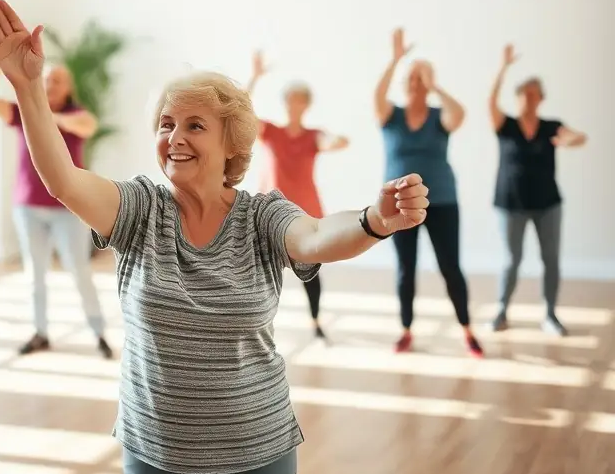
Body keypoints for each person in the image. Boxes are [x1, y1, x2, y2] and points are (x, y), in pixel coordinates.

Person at [0, 0, 431, 474]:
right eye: (167, 123)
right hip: (156, 447)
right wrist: (28, 88)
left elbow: (313, 238)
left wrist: (372, 220)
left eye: (195, 125)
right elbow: (63, 180)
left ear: (231, 145)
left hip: (256, 445)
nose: (175, 137)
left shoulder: (262, 216)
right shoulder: (140, 209)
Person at [0, 62, 113, 358]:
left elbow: (87, 126)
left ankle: (98, 331)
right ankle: (40, 333)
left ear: (68, 87)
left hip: (69, 209)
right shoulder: (21, 112)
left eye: (58, 80)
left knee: (79, 270)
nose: (51, 84)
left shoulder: (77, 116)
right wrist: (1, 68)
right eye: (47, 79)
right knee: (34, 274)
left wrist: (43, 114)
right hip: (28, 207)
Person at [375, 28, 482, 357]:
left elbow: (460, 115)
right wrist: (395, 61)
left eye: (421, 79)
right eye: (412, 78)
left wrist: (435, 85)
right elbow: (376, 96)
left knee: (450, 266)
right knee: (406, 267)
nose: (415, 83)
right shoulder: (390, 115)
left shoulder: (440, 116)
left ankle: (467, 329)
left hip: (443, 201)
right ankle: (406, 330)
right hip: (400, 204)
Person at [246, 51, 349, 338]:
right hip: (270, 212)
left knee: (309, 271)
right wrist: (254, 77)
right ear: (285, 103)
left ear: (306, 105)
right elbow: (241, 113)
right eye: (291, 99)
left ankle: (315, 322)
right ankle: (258, 326)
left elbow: (328, 142)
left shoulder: (313, 135)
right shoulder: (271, 132)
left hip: (304, 212)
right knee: (265, 273)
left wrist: (336, 141)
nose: (295, 104)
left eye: (300, 100)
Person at [489, 44, 587, 336]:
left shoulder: (551, 126)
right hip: (510, 204)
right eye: (524, 94)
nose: (529, 99)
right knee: (511, 260)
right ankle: (501, 311)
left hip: (548, 205)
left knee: (551, 259)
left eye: (534, 94)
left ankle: (550, 315)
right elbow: (490, 102)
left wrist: (571, 141)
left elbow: (579, 137)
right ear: (517, 97)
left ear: (541, 98)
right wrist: (503, 68)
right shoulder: (505, 125)